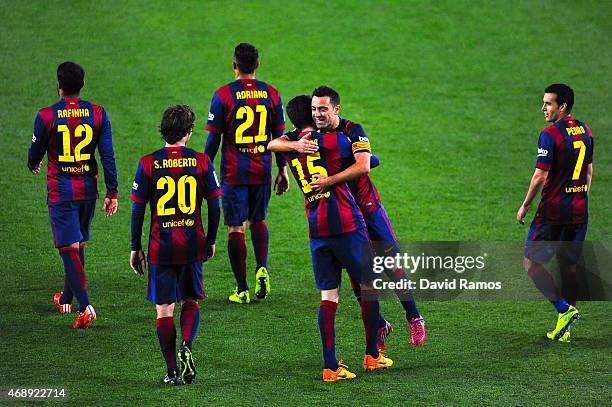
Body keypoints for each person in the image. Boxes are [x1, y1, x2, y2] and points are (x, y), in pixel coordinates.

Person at [268, 95, 393, 382]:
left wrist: (293, 143)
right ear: (312, 117)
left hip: (316, 228)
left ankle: (329, 366)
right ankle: (372, 355)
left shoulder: (290, 150)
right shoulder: (336, 142)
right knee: (369, 286)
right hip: (347, 223)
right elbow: (370, 161)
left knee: (329, 297)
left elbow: (272, 144)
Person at [309, 86, 426, 349]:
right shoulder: (309, 136)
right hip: (343, 214)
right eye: (314, 109)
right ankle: (379, 325)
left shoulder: (353, 130)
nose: (317, 114)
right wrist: (293, 143)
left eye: (323, 109)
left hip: (367, 206)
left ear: (336, 109)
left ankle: (414, 316)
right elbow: (275, 142)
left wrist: (330, 180)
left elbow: (365, 164)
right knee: (358, 275)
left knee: (390, 264)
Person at [130, 105, 221, 385]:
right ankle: (186, 346)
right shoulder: (202, 162)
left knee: (164, 309)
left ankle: (171, 371)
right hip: (192, 244)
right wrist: (211, 239)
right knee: (191, 300)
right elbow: (215, 206)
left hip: (161, 247)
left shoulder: (148, 163)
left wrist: (136, 246)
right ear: (189, 132)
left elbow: (138, 210)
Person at [28, 61, 118, 329]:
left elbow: (36, 152)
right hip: (88, 190)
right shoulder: (98, 113)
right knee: (77, 243)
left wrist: (33, 163)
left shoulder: (46, 116)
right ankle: (66, 296)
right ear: (82, 85)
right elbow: (108, 155)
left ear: (59, 87)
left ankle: (85, 305)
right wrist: (112, 191)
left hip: (62, 191)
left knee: (69, 246)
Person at [205, 43, 288, 304]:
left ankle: (241, 290)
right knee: (258, 220)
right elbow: (280, 137)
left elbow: (213, 140)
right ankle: (261, 267)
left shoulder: (223, 95)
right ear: (258, 65)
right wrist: (282, 169)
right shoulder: (271, 94)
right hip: (262, 169)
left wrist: (203, 168)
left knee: (235, 228)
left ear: (234, 64)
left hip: (234, 172)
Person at [516, 84, 593, 342]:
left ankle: (563, 310)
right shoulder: (585, 131)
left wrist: (525, 204)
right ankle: (565, 330)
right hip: (580, 210)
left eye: (548, 103)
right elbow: (589, 171)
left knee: (530, 262)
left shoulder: (550, 134)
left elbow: (540, 175)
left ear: (563, 107)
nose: (543, 108)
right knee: (569, 266)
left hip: (553, 212)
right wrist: (579, 197)